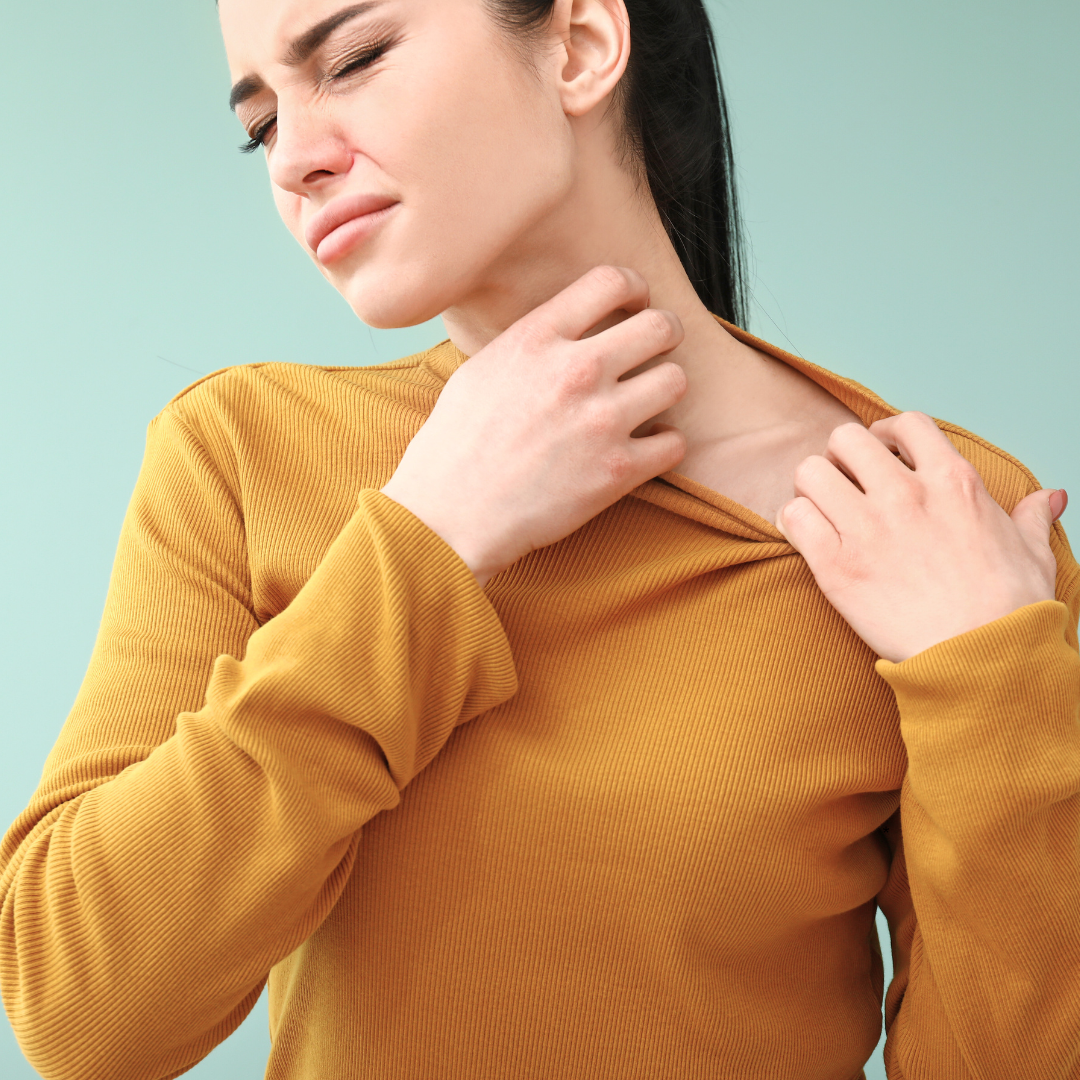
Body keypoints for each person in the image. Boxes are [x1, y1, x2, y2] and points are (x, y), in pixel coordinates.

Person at [2, 0, 1077, 1077]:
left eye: (355, 58)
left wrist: (992, 680)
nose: (296, 162)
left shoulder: (940, 514)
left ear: (580, 45)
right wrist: (432, 536)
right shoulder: (242, 457)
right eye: (262, 124)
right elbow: (81, 1012)